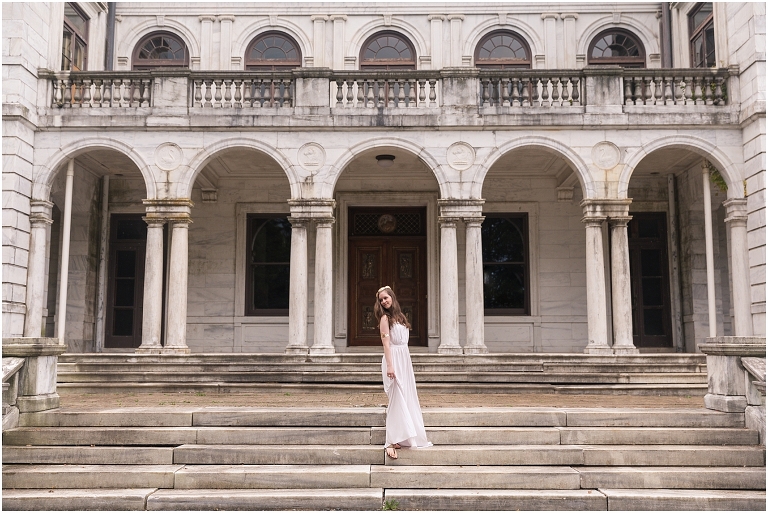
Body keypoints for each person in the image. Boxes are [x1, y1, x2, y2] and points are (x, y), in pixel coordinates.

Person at [374, 285, 432, 460]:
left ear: (392, 296)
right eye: (381, 299)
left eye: (386, 297)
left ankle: (404, 437)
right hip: (393, 359)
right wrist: (390, 366)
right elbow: (386, 344)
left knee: (406, 397)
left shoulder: (399, 317)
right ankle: (390, 441)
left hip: (404, 359)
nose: (384, 301)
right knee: (396, 399)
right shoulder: (384, 319)